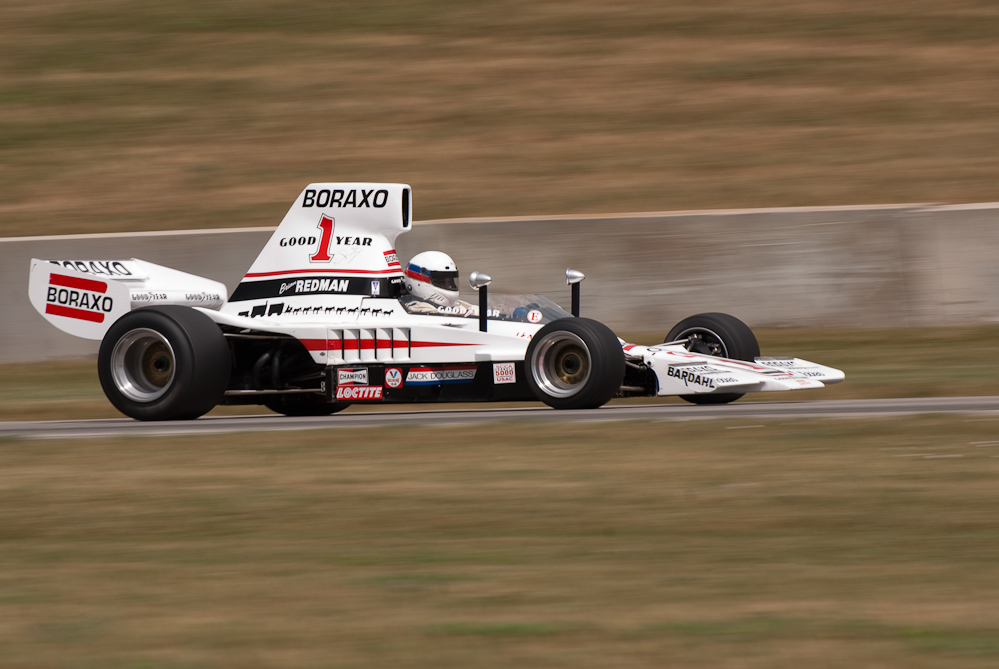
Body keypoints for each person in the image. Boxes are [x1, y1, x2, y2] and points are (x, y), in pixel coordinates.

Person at [402, 251, 476, 315]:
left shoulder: (461, 306)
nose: (450, 286)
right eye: (442, 282)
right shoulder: (416, 310)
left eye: (450, 281)